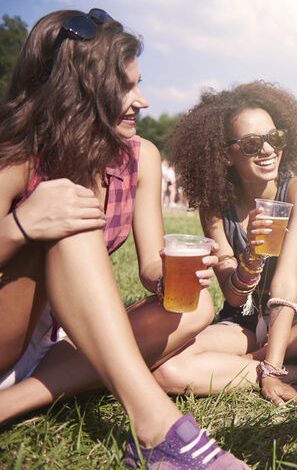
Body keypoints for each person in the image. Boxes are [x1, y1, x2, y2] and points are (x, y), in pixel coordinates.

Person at [0, 9, 248, 469]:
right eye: (126, 87)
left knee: (196, 306)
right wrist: (22, 225)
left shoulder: (141, 157)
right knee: (71, 217)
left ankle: (11, 403)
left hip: (55, 340)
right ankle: (156, 429)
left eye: (139, 83)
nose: (143, 100)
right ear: (79, 90)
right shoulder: (19, 154)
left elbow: (151, 268)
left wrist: (176, 273)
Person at [154, 81, 297, 405]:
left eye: (275, 138)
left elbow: (285, 282)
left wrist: (272, 364)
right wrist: (253, 254)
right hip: (241, 320)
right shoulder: (214, 206)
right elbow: (232, 293)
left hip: (294, 317)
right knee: (167, 369)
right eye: (252, 144)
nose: (268, 150)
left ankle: (267, 364)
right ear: (227, 155)